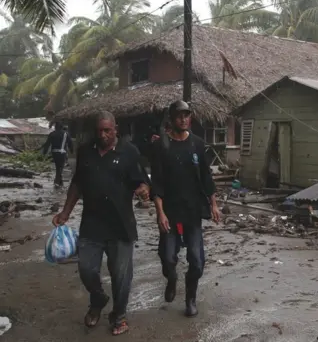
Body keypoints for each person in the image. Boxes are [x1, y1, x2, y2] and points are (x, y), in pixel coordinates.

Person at [52, 111, 150, 336]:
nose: (103, 135)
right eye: (99, 131)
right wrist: (65, 212)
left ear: (116, 129)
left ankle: (119, 315)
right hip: (92, 224)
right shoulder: (86, 151)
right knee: (86, 269)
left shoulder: (129, 152)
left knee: (121, 276)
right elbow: (77, 184)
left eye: (107, 130)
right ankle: (97, 299)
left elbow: (142, 181)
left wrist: (144, 190)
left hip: (121, 226)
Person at [150, 100, 221, 317]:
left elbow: (206, 177)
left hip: (193, 212)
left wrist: (214, 204)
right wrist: (159, 212)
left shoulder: (197, 144)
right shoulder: (161, 145)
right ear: (171, 119)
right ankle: (171, 279)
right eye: (179, 115)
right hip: (170, 212)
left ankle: (190, 298)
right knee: (169, 257)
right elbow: (158, 183)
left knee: (197, 261)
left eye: (187, 115)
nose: (184, 119)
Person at [42, 122, 73, 188]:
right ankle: (57, 181)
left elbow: (47, 144)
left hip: (54, 153)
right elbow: (70, 143)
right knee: (60, 167)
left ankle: (59, 181)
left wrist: (44, 153)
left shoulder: (52, 134)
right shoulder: (66, 134)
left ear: (56, 127)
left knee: (57, 167)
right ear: (62, 127)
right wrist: (72, 150)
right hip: (62, 153)